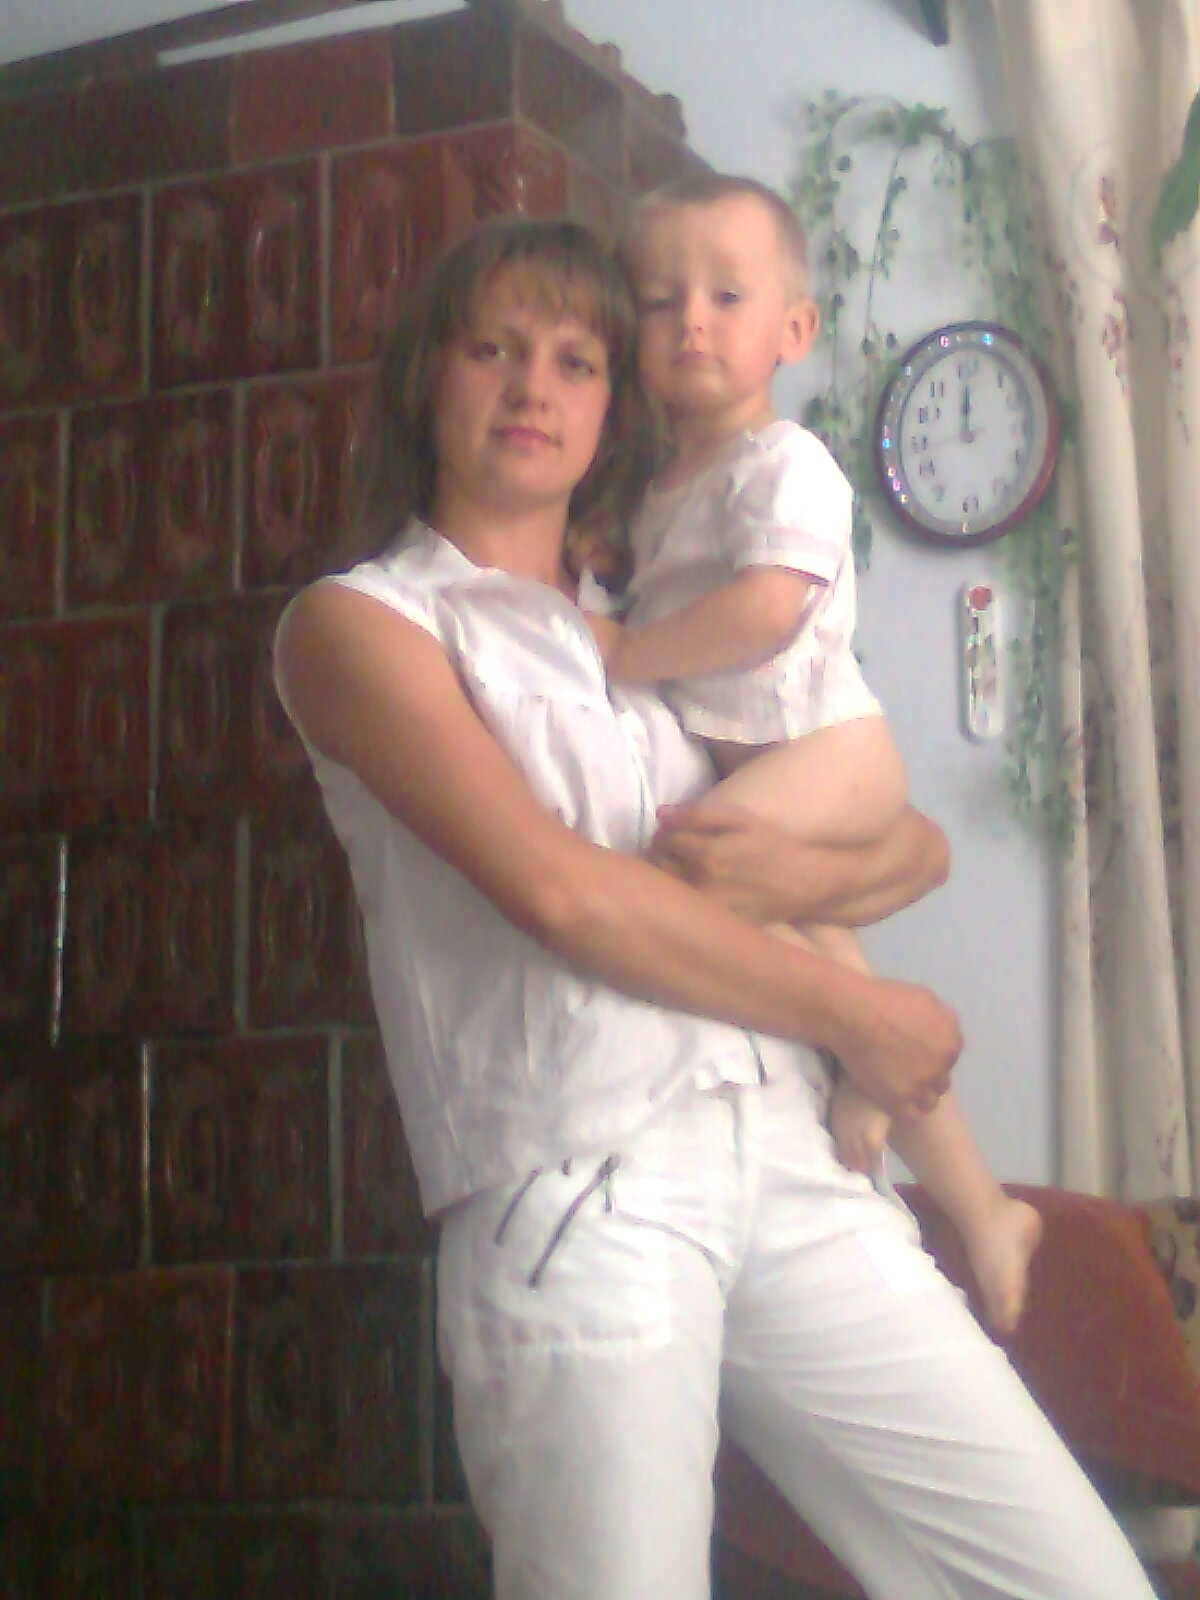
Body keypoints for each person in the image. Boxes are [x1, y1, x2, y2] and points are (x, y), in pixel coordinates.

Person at [273, 215, 1154, 1600]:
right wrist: (853, 1010)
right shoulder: (365, 624)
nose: (533, 387)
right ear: (427, 377)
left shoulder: (662, 616)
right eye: (494, 349)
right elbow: (564, 893)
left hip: (797, 1161)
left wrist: (804, 884)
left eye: (575, 360)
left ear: (611, 404)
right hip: (577, 1183)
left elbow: (911, 841)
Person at [583, 172, 1040, 1335]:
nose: (691, 320)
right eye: (660, 300)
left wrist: (627, 653)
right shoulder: (659, 487)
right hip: (765, 758)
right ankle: (984, 1206)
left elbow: (766, 609)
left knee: (694, 872)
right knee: (828, 956)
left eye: (726, 297)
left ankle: (857, 1063)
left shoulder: (782, 463)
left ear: (794, 331)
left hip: (831, 747)